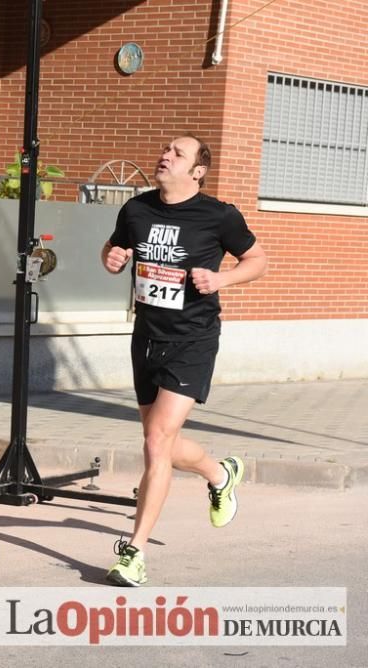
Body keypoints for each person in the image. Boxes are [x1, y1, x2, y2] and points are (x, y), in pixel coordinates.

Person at [100, 134, 268, 587]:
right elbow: (113, 250)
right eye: (165, 149)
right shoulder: (135, 209)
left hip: (193, 339)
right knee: (162, 444)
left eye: (178, 153)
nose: (165, 155)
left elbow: (257, 259)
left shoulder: (219, 216)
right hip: (147, 338)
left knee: (156, 442)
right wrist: (112, 258)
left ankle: (133, 554)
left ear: (197, 171)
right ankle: (220, 473)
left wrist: (221, 278)